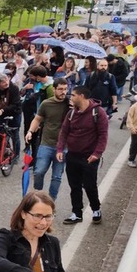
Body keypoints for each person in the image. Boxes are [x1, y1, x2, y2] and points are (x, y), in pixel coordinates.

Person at [56, 86, 108, 225]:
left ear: (82, 96)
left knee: (90, 185)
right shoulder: (71, 114)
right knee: (75, 186)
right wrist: (60, 149)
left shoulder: (98, 112)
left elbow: (103, 135)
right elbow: (64, 132)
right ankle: (76, 213)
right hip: (72, 155)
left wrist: (97, 153)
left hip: (89, 157)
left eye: (73, 95)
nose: (70, 98)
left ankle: (96, 209)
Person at [25, 77, 70, 199]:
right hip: (46, 144)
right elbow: (37, 119)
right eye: (60, 89)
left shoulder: (70, 104)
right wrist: (30, 131)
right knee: (39, 172)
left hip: (63, 147)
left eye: (65, 89)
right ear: (54, 89)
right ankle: (39, 196)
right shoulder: (46, 103)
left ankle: (51, 201)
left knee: (57, 176)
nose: (63, 92)